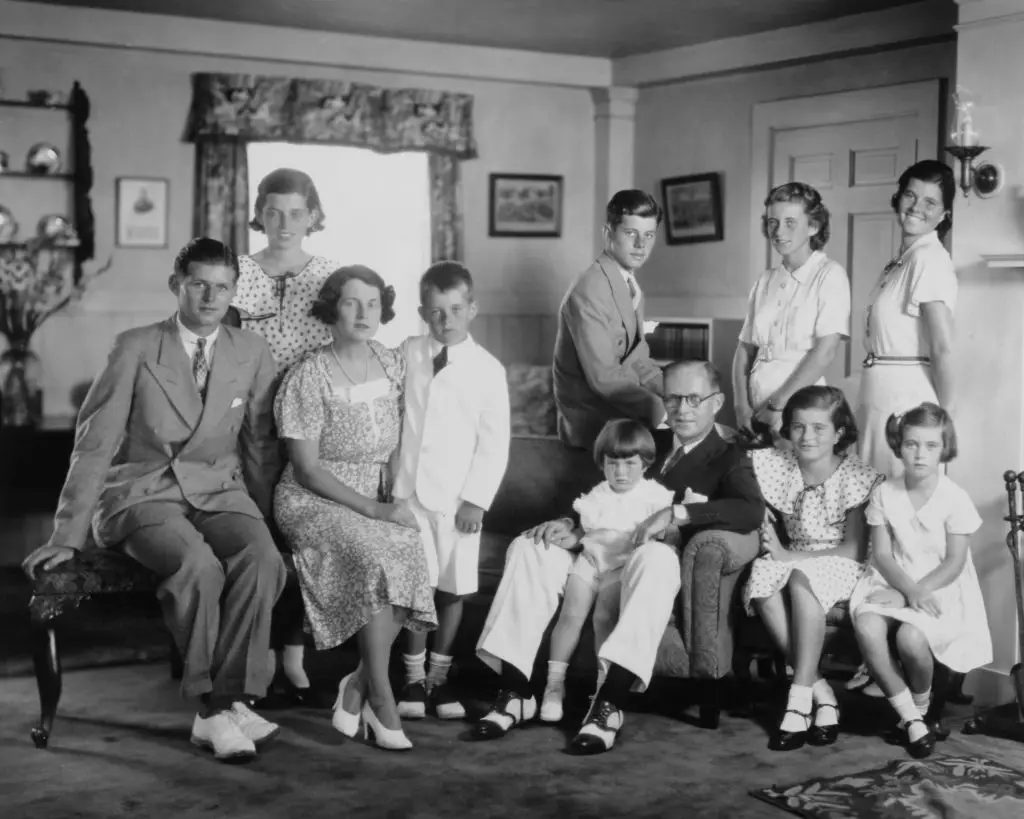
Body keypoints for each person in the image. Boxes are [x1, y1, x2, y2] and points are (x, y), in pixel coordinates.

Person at [22, 238, 286, 763]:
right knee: (197, 566)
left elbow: (258, 444)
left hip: (218, 490)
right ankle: (214, 709)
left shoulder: (252, 350)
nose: (210, 297)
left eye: (222, 287)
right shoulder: (135, 347)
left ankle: (230, 698)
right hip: (142, 493)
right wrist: (67, 535)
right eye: (198, 284)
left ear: (234, 291)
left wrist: (268, 518)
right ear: (176, 286)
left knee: (262, 558)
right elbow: (94, 445)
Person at [473, 360, 764, 754]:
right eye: (673, 398)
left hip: (648, 566)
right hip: (597, 552)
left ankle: (609, 704)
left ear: (717, 402)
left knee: (656, 557)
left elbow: (750, 511)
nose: (682, 409)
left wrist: (677, 513)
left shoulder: (729, 456)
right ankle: (515, 691)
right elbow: (595, 492)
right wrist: (568, 523)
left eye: (694, 399)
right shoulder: (642, 441)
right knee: (530, 547)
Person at [273, 266, 437, 752]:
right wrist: (373, 510)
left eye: (372, 303)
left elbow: (401, 438)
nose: (364, 313)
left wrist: (395, 495)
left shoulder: (391, 363)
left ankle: (358, 683)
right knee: (376, 554)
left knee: (412, 550)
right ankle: (381, 696)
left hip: (377, 494)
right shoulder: (308, 375)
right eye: (351, 302)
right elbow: (306, 469)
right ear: (332, 309)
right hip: (315, 499)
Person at [230, 168, 341, 704]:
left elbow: (343, 348)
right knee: (258, 536)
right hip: (250, 426)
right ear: (259, 214)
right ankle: (258, 655)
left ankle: (294, 656)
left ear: (313, 215)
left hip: (309, 424)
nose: (284, 223)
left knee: (300, 536)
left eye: (296, 213)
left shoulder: (329, 275)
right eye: (273, 212)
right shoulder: (239, 272)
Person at [393, 261, 511, 721]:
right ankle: (412, 678)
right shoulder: (407, 353)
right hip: (408, 494)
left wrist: (477, 500)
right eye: (436, 311)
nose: (446, 320)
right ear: (423, 312)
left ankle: (439, 680)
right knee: (416, 587)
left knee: (453, 588)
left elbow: (495, 442)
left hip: (459, 499)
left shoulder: (488, 369)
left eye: (456, 309)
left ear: (472, 309)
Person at [743, 386, 882, 752]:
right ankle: (822, 694)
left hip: (843, 564)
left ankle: (798, 698)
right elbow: (734, 464)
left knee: (800, 578)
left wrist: (790, 558)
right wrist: (756, 506)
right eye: (798, 426)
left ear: (839, 433)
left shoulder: (856, 476)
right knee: (763, 574)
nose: (807, 436)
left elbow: (854, 550)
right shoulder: (779, 464)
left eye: (819, 428)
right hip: (795, 556)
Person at [849, 404, 990, 758]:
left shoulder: (954, 497)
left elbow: (955, 561)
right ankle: (911, 718)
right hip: (893, 576)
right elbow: (882, 555)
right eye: (911, 444)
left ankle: (921, 707)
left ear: (945, 448)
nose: (920, 454)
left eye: (930, 446)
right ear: (900, 446)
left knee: (911, 639)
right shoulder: (885, 493)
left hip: (940, 582)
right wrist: (904, 589)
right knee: (867, 625)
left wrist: (913, 593)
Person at [538, 419, 673, 723]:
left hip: (622, 565)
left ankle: (602, 692)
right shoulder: (597, 495)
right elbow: (587, 533)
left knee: (603, 618)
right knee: (570, 616)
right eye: (613, 463)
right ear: (602, 464)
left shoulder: (654, 497)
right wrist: (570, 539)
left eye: (630, 463)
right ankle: (554, 685)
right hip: (591, 560)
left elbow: (663, 534)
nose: (620, 472)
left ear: (645, 463)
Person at [857, 160, 957, 478]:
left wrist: (945, 419)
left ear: (944, 215)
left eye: (930, 202)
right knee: (874, 490)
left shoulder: (929, 259)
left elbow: (942, 347)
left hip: (906, 398)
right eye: (910, 195)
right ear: (898, 198)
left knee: (897, 493)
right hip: (880, 392)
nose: (916, 207)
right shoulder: (902, 260)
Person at [733, 182, 850, 444]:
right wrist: (741, 407)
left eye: (790, 223)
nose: (778, 232)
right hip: (755, 410)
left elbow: (825, 352)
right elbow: (744, 350)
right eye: (772, 222)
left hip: (802, 406)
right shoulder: (765, 280)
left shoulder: (829, 275)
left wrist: (777, 404)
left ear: (813, 226)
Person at [552, 189, 666, 450]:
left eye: (649, 235)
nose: (641, 244)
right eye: (631, 233)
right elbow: (604, 378)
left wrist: (676, 393)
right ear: (608, 233)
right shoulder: (590, 290)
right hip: (592, 425)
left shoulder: (629, 286)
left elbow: (638, 359)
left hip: (618, 415)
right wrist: (662, 409)